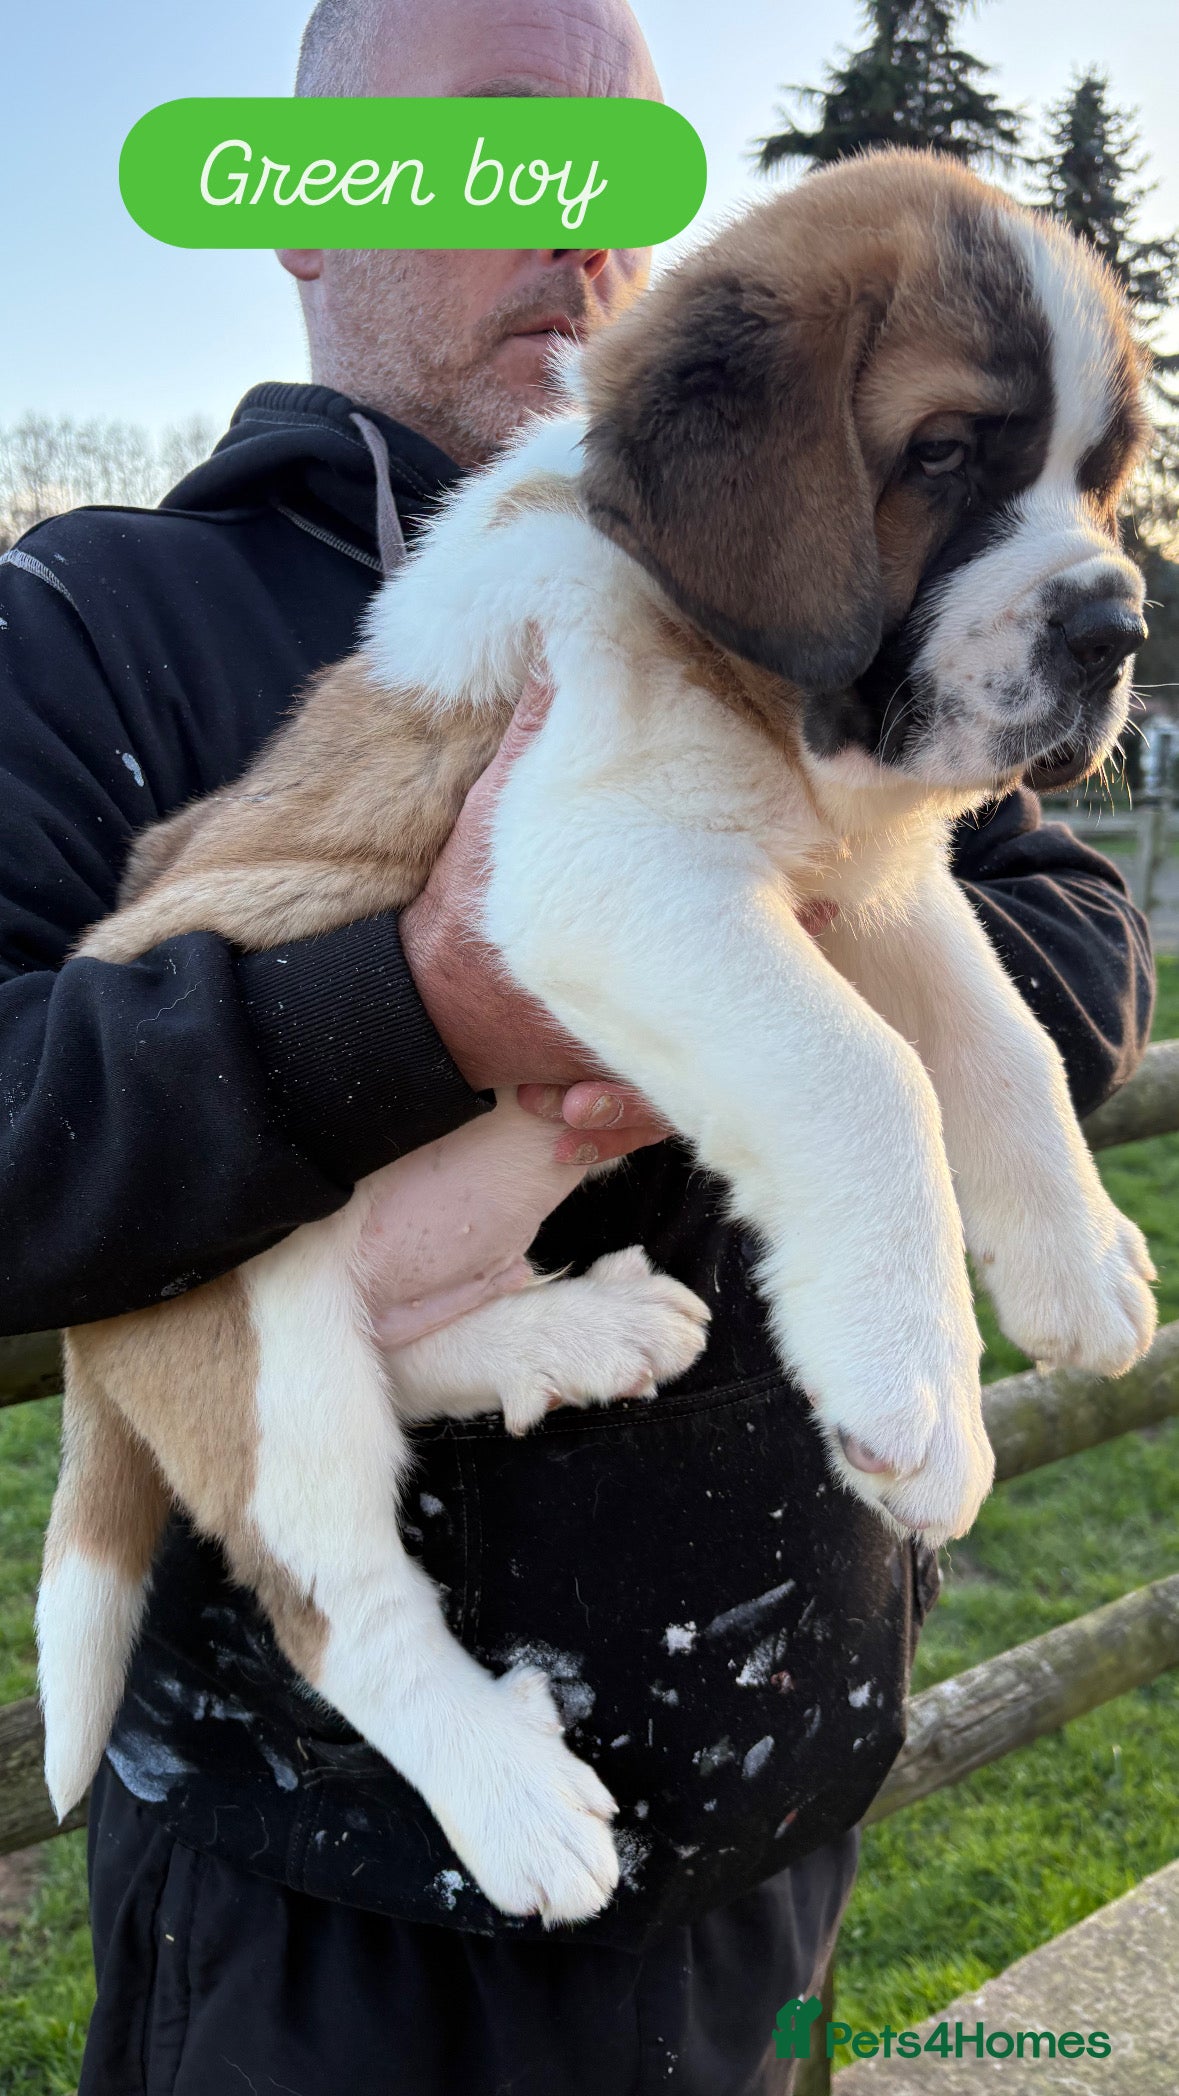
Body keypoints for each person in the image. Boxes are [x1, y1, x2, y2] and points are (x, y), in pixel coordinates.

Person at [0, 1, 1154, 2090]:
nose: (576, 218)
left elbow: (1062, 935)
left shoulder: (815, 573)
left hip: (766, 1842)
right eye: (498, 146)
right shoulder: (94, 616)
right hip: (317, 1907)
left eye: (627, 162)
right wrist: (424, 1002)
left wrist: (764, 984)